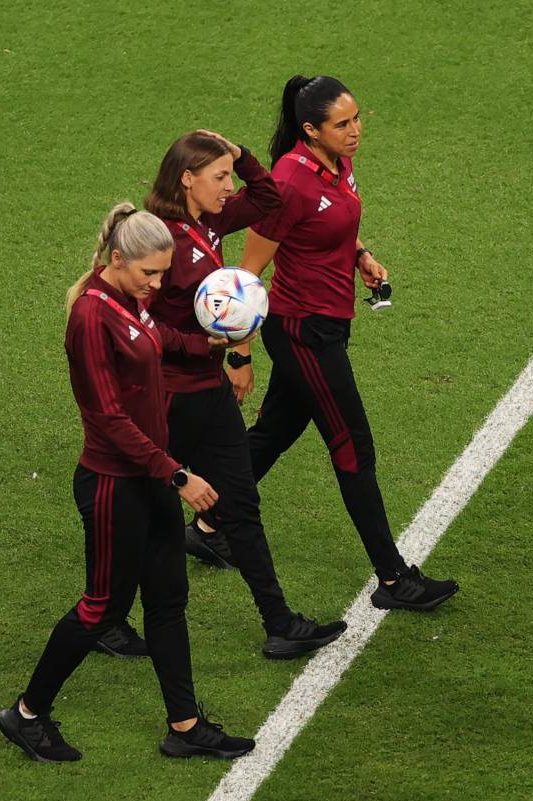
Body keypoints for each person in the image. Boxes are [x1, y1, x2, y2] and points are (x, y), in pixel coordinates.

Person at [0, 204, 254, 762]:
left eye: (163, 273)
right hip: (115, 486)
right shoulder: (90, 318)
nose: (158, 284)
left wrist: (209, 344)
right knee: (101, 609)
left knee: (167, 600)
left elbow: (158, 335)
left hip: (149, 478)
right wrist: (177, 474)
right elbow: (108, 419)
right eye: (150, 273)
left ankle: (185, 727)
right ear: (118, 259)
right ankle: (26, 715)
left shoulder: (127, 300)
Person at [238, 75, 458, 611]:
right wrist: (238, 354)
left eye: (358, 118)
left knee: (274, 432)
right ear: (311, 130)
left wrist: (360, 255)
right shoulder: (288, 182)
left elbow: (331, 221)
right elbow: (245, 276)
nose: (356, 130)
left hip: (327, 323)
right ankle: (393, 580)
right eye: (343, 124)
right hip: (303, 331)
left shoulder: (337, 163)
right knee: (353, 447)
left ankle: (207, 523)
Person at [144, 130, 347, 659]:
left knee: (241, 504)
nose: (229, 187)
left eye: (229, 177)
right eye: (219, 178)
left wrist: (241, 156)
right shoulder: (159, 241)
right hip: (169, 398)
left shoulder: (209, 220)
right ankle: (103, 616)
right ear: (187, 179)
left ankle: (280, 624)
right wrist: (198, 344)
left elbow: (270, 200)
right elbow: (139, 321)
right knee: (144, 513)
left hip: (209, 391)